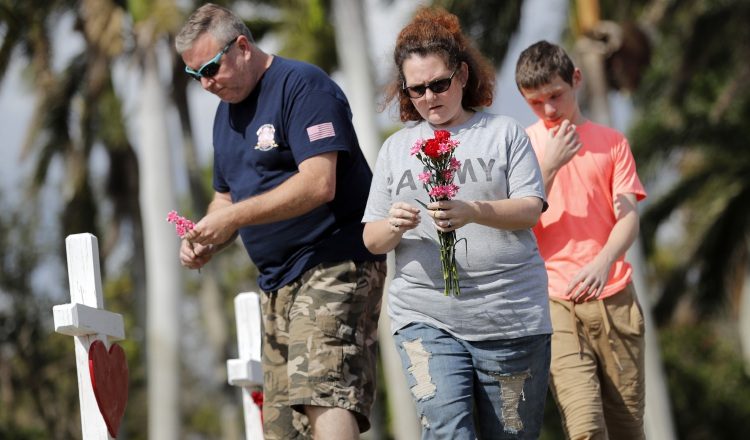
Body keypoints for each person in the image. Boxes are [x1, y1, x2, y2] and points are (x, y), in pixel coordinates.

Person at [174, 4, 386, 439]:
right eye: (195, 76)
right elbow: (224, 196)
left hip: (334, 261)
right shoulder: (224, 116)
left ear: (243, 47)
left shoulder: (303, 86)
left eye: (211, 68)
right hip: (276, 283)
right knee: (284, 427)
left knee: (323, 391)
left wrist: (232, 216)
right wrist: (206, 237)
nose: (207, 84)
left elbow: (319, 183)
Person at [362, 7, 552, 439]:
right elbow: (372, 239)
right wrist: (395, 225)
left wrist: (474, 211)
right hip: (426, 318)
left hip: (511, 319)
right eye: (416, 89)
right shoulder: (395, 150)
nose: (429, 97)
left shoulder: (504, 133)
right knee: (447, 431)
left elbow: (531, 207)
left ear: (462, 76)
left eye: (439, 84)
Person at [515, 40, 648, 440]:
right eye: (536, 103)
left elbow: (628, 218)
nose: (549, 110)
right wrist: (549, 167)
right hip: (554, 302)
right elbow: (518, 224)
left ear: (576, 79)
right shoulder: (521, 148)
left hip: (615, 297)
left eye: (555, 96)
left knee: (627, 428)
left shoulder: (612, 142)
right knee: (585, 427)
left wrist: (604, 261)